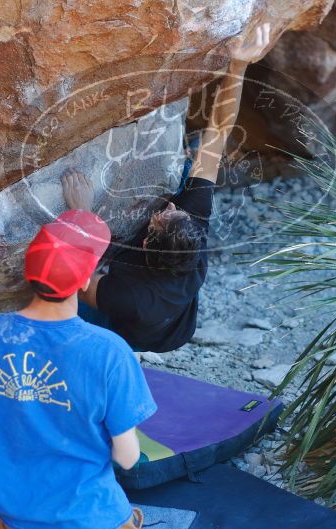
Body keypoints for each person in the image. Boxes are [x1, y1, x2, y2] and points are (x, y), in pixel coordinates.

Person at [62, 23, 273, 353]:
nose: (171, 207)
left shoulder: (129, 296)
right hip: (171, 316)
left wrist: (82, 214)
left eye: (164, 216)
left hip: (130, 331)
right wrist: (239, 65)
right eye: (177, 213)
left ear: (146, 242)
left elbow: (78, 284)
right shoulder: (194, 225)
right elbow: (218, 130)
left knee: (55, 293)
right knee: (194, 157)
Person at [0, 209, 157, 529]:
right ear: (84, 281)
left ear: (29, 271)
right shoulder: (109, 351)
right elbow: (128, 458)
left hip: (15, 522)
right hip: (91, 522)